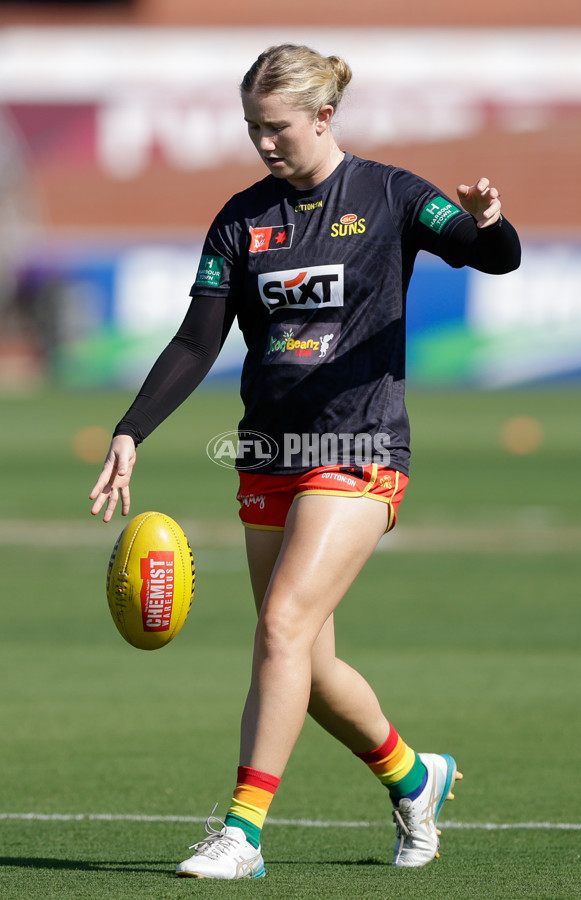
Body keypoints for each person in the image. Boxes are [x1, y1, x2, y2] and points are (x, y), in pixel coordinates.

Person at [89, 43, 521, 880]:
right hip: (270, 453)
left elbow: (488, 254)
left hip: (360, 450)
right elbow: (196, 340)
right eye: (252, 128)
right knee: (307, 667)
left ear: (324, 117)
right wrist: (131, 429)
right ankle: (413, 775)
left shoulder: (392, 195)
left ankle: (241, 834)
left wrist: (491, 222)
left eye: (276, 127)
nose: (263, 144)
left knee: (280, 628)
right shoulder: (241, 218)